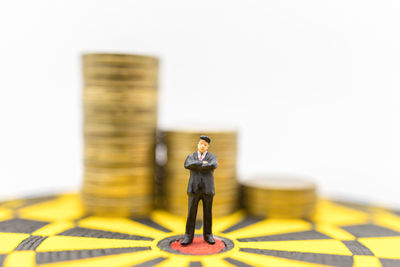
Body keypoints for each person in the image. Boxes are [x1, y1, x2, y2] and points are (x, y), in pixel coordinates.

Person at [180, 135, 218, 245]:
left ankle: (208, 235)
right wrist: (202, 163)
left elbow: (213, 165)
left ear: (208, 147)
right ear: (197, 144)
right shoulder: (191, 156)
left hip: (207, 189)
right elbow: (187, 165)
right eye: (201, 143)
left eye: (205, 145)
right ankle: (188, 235)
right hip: (194, 189)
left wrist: (197, 165)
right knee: (191, 213)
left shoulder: (212, 157)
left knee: (208, 213)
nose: (202, 146)